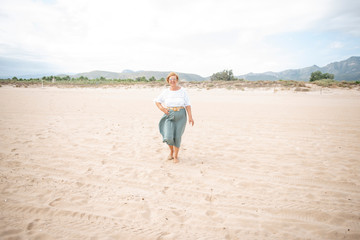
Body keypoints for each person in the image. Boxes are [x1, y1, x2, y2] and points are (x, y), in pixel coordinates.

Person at [154, 72, 194, 163]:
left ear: (177, 80)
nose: (172, 81)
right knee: (168, 136)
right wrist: (162, 109)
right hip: (169, 114)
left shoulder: (183, 91)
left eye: (174, 79)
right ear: (168, 81)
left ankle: (175, 156)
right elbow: (157, 101)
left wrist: (190, 117)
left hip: (181, 115)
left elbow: (188, 105)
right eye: (170, 79)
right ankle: (171, 151)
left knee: (177, 136)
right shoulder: (166, 92)